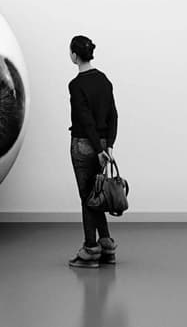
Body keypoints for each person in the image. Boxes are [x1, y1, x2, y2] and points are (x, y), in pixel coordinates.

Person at [67, 35, 119, 268]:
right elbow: (113, 116)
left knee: (87, 198)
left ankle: (90, 250)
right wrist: (108, 146)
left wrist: (98, 149)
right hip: (102, 145)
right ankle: (107, 246)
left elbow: (85, 120)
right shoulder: (104, 81)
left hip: (83, 145)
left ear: (75, 55)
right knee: (96, 195)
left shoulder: (76, 85)